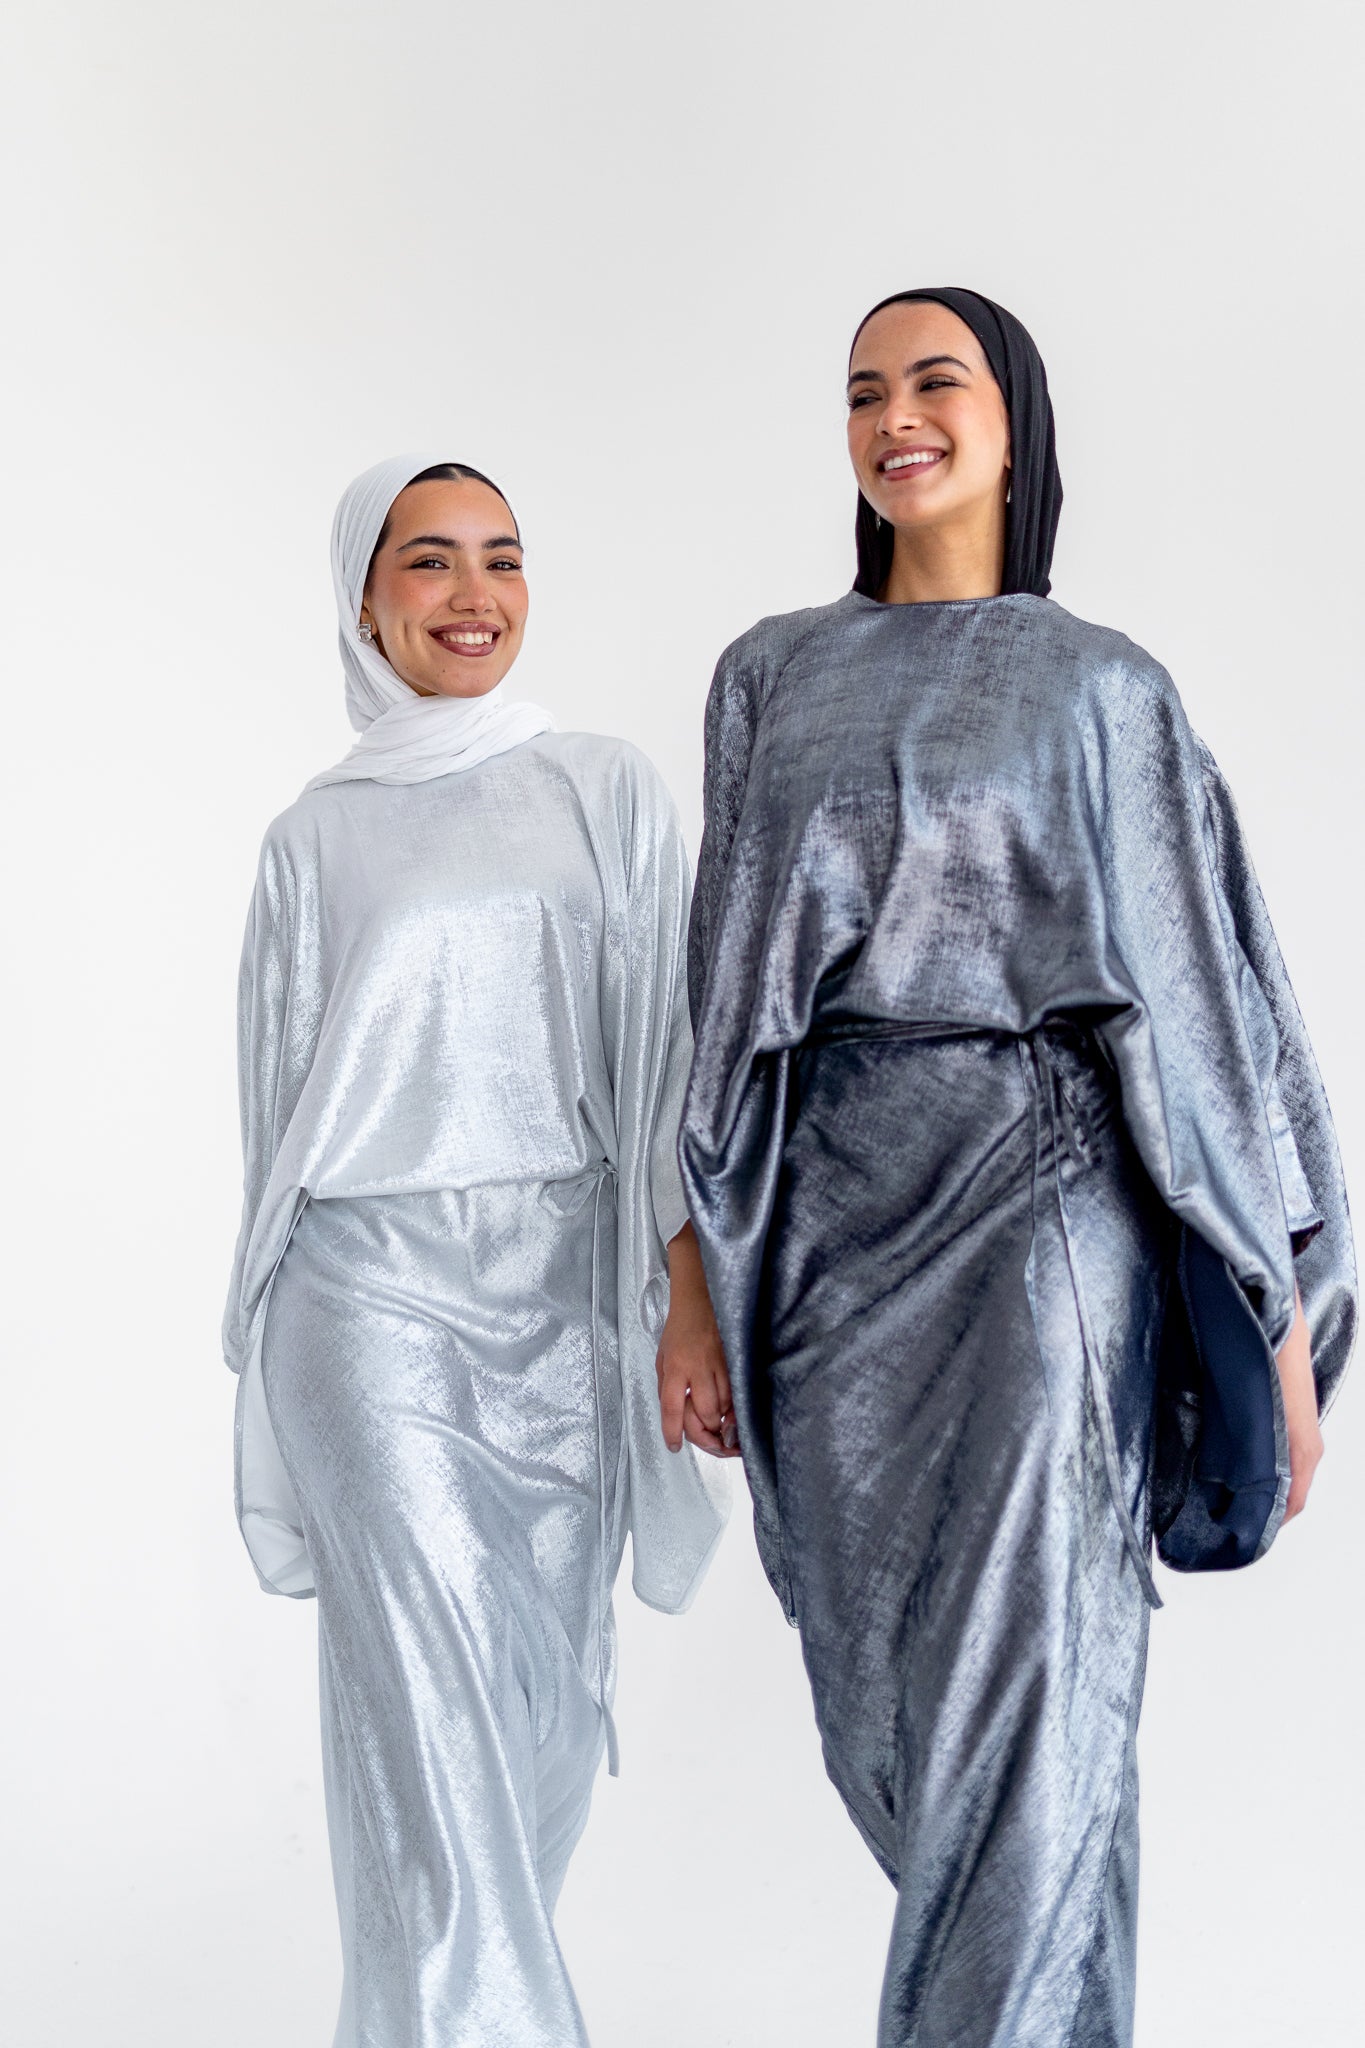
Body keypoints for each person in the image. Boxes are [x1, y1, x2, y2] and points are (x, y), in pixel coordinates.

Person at [673, 289, 1355, 2047]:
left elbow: (1198, 1013)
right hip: (823, 1245)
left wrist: (1273, 1321)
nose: (894, 418)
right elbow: (718, 999)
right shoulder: (765, 675)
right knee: (897, 1724)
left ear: (1013, 421)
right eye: (862, 394)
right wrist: (689, 1278)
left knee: (1036, 1711)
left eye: (934, 382)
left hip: (1039, 1223)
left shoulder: (1102, 688)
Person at [222, 454, 729, 2048]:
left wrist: (683, 1297)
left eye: (501, 558)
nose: (472, 595)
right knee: (431, 1748)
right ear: (363, 602)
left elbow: (666, 1068)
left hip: (564, 1311)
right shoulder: (313, 840)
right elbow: (274, 1121)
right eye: (428, 560)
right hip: (366, 1310)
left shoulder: (599, 788)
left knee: (528, 1739)